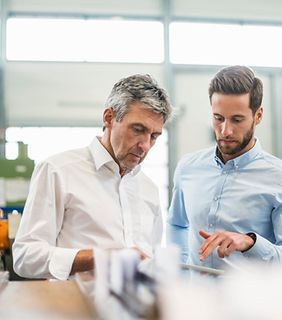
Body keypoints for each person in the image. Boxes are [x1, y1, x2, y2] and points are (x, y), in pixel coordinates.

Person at [13, 74, 172, 280]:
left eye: (154, 136)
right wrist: (98, 257)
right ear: (108, 118)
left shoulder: (149, 189)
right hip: (74, 309)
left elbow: (150, 260)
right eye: (138, 129)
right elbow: (25, 257)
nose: (145, 145)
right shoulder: (57, 171)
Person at [167, 65, 282, 271]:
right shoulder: (188, 167)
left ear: (258, 115)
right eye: (218, 118)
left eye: (237, 119)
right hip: (195, 299)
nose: (225, 130)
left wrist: (251, 242)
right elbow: (177, 225)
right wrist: (180, 276)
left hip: (250, 301)